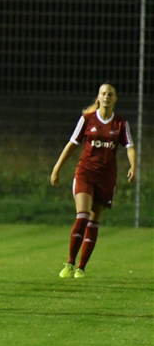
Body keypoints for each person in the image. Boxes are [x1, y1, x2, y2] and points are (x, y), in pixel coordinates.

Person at [51, 83, 136, 279]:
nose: (106, 97)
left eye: (110, 94)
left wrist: (133, 165)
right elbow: (72, 143)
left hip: (106, 177)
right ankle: (70, 263)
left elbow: (129, 146)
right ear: (98, 97)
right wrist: (57, 168)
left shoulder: (121, 124)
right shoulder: (87, 119)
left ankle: (81, 267)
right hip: (85, 173)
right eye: (103, 93)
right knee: (82, 215)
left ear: (115, 99)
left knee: (94, 221)